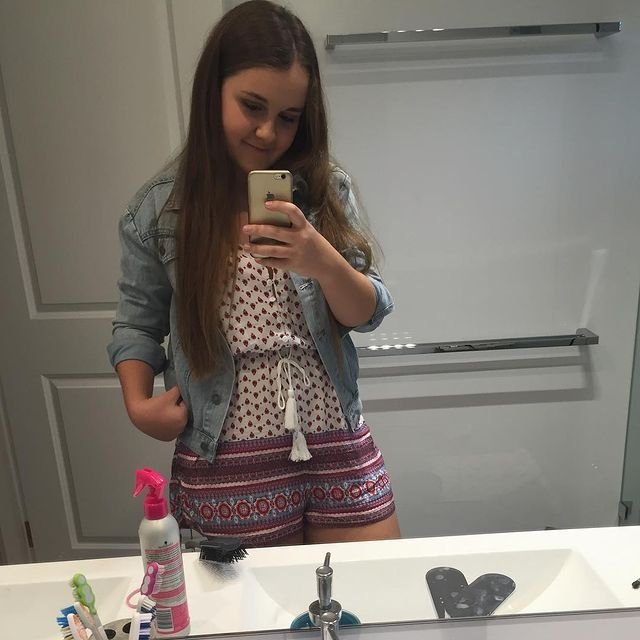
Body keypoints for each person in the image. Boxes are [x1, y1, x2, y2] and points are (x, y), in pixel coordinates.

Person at [108, 0, 400, 546]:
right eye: (252, 106)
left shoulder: (325, 190)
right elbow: (136, 324)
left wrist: (321, 259)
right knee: (255, 605)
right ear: (212, 92)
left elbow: (368, 313)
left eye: (288, 116)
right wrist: (138, 405)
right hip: (228, 461)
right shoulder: (160, 211)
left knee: (373, 593)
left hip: (336, 441)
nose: (268, 132)